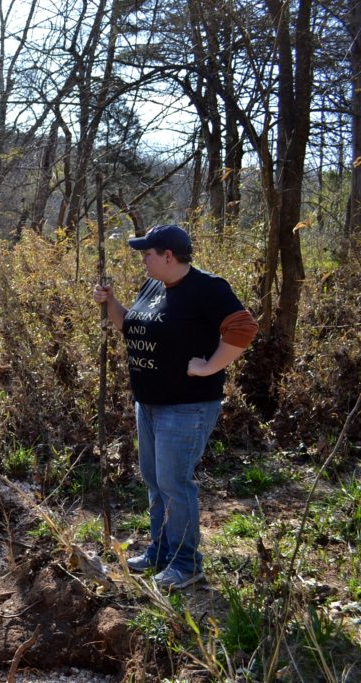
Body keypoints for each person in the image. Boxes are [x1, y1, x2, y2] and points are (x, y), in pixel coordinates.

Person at [92, 224, 258, 589]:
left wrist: (210, 366)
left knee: (174, 482)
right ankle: (160, 551)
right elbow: (130, 327)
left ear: (169, 255)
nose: (143, 260)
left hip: (187, 406)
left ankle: (186, 563)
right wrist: (111, 303)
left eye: (147, 254)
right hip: (149, 402)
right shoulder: (153, 286)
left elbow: (243, 328)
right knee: (154, 480)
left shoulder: (207, 287)